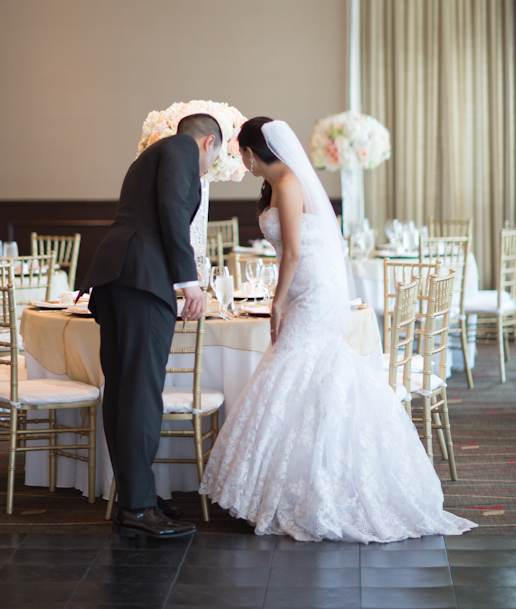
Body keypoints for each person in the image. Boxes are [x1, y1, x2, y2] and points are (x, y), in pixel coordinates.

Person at [199, 117, 476, 542]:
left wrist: (277, 301)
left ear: (255, 152)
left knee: (301, 364)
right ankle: (289, 485)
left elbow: (291, 250)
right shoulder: (278, 184)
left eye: (243, 154)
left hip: (312, 289)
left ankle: (318, 488)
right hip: (305, 283)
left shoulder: (289, 182)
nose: (244, 163)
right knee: (299, 370)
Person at [82, 113, 222, 538]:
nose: (212, 165)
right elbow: (173, 211)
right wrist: (189, 282)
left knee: (124, 391)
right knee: (141, 393)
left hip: (118, 277)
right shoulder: (181, 149)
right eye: (215, 156)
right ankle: (139, 508)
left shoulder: (154, 154)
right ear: (208, 142)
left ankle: (135, 496)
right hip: (143, 281)